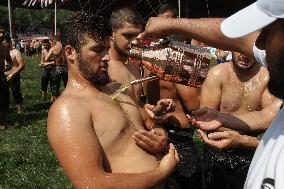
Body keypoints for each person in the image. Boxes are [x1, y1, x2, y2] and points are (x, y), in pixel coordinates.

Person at [140, 0, 284, 188]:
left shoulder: (268, 71)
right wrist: (172, 24)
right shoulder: (219, 73)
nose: (259, 43)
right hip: (211, 153)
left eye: (267, 31)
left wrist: (243, 141)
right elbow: (269, 114)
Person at [47, 11, 179, 189]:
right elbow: (92, 184)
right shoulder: (67, 110)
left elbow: (150, 122)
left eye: (106, 49)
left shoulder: (117, 88)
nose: (107, 57)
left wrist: (161, 136)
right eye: (97, 50)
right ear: (70, 53)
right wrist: (161, 172)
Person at [199, 52, 282, 189]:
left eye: (248, 51)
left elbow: (269, 119)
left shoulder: (266, 78)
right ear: (232, 47)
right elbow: (207, 119)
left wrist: (242, 140)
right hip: (217, 152)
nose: (244, 55)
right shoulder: (217, 74)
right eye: (240, 50)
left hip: (250, 153)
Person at [144, 4, 202, 189]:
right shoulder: (178, 59)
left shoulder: (147, 57)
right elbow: (195, 106)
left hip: (155, 131)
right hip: (178, 138)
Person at [2, 35, 25, 113]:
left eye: (4, 43)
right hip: (3, 76)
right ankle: (6, 111)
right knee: (4, 94)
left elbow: (22, 65)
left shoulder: (16, 52)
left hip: (14, 76)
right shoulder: (2, 51)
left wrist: (12, 75)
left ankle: (19, 110)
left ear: (9, 42)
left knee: (16, 92)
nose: (3, 45)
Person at [44, 35, 67, 100]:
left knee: (55, 87)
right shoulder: (66, 47)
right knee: (67, 86)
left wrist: (54, 57)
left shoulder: (53, 48)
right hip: (65, 68)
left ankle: (55, 102)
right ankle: (68, 99)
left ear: (55, 40)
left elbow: (46, 59)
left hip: (57, 68)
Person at [0, 28, 13, 129]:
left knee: (5, 100)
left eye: (3, 33)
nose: (1, 35)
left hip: (1, 77)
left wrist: (8, 67)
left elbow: (9, 62)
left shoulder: (4, 48)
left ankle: (3, 123)